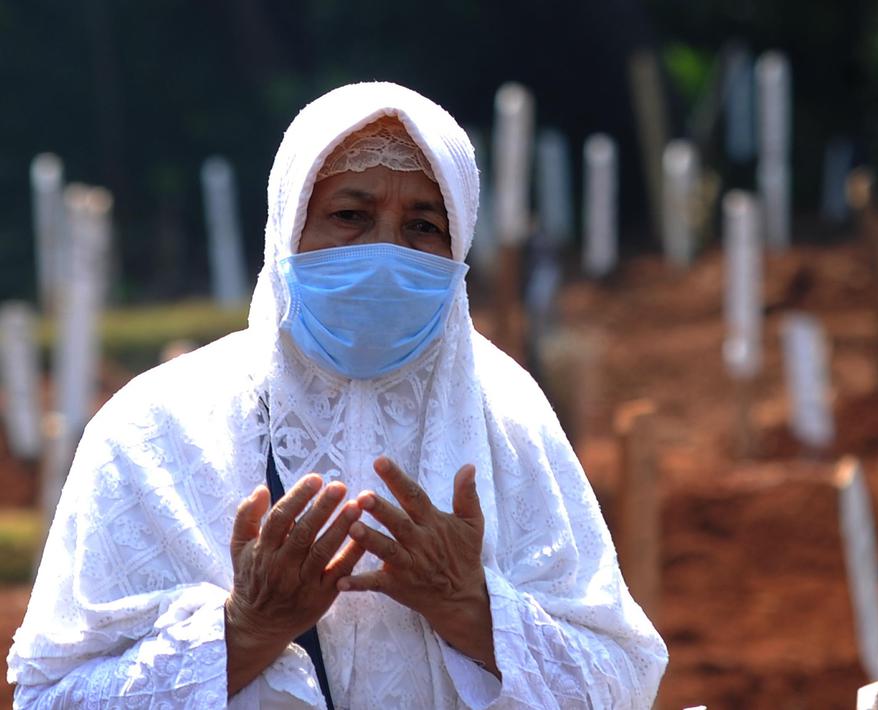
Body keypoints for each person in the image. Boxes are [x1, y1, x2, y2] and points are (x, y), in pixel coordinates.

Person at [7, 82, 668, 708]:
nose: (385, 252)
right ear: (288, 228)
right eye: (350, 215)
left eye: (422, 227)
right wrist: (246, 629)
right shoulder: (155, 431)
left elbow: (622, 683)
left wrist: (471, 609)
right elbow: (51, 696)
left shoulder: (507, 416)